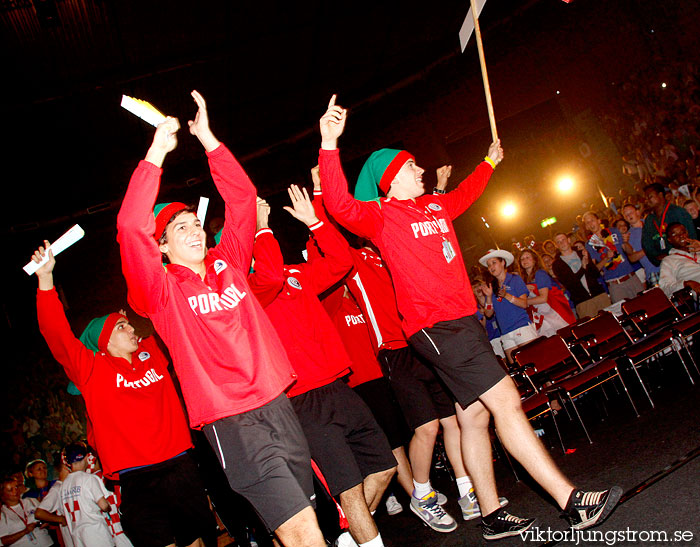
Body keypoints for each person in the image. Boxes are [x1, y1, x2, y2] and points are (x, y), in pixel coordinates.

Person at [316, 95, 621, 541]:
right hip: (437, 328)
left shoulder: (436, 206)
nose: (421, 170)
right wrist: (328, 143)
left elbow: (466, 192)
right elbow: (340, 205)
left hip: (464, 324)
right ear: (391, 179)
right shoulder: (382, 217)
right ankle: (571, 501)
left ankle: (492, 512)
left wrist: (489, 162)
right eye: (411, 166)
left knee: (475, 416)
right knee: (507, 403)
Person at [116, 91, 325, 547]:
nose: (193, 229)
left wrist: (209, 140)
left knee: (303, 520)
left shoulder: (228, 261)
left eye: (194, 222)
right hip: (232, 420)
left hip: (277, 401)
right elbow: (131, 227)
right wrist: (158, 151)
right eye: (178, 229)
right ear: (163, 248)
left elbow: (244, 199)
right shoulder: (160, 291)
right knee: (302, 531)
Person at [311, 169, 485, 527]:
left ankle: (467, 491)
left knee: (454, 419)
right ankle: (423, 496)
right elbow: (328, 236)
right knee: (427, 428)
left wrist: (436, 188)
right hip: (393, 352)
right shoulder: (355, 261)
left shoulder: (392, 247)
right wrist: (317, 192)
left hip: (422, 340)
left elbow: (428, 218)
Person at [31, 241, 214, 547]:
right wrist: (46, 280)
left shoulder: (153, 352)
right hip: (137, 477)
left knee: (196, 542)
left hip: (180, 465)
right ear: (104, 340)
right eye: (122, 326)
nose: (132, 330)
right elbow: (58, 335)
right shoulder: (91, 368)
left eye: (130, 325)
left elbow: (167, 307)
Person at [248, 185, 397, 547]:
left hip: (337, 386)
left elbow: (342, 262)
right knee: (349, 490)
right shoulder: (248, 290)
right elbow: (267, 273)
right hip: (301, 401)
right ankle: (362, 533)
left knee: (384, 466)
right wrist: (258, 226)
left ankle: (349, 536)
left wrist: (316, 222)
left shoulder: (295, 274)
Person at [480, 250, 538, 362]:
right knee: (519, 368)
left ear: (503, 263)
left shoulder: (514, 279)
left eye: (494, 262)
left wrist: (507, 295)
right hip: (505, 334)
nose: (491, 267)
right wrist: (488, 296)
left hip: (521, 327)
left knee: (535, 362)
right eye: (489, 265)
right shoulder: (493, 287)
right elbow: (489, 314)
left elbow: (524, 303)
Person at [60, 443, 114, 546]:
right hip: (95, 533)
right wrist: (108, 507)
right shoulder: (89, 479)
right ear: (85, 457)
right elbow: (103, 505)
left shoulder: (64, 485)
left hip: (77, 536)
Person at [583, 211, 643, 303]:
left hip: (630, 277)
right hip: (615, 284)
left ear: (599, 221)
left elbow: (630, 252)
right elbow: (595, 269)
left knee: (645, 303)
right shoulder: (590, 244)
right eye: (588, 223)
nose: (591, 224)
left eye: (592, 220)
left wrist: (626, 242)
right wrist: (606, 258)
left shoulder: (614, 231)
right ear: (586, 227)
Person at [517, 249, 575, 337]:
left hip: (554, 314)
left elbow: (543, 298)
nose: (525, 260)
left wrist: (523, 302)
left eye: (527, 257)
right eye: (522, 259)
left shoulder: (540, 274)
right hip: (542, 317)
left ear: (534, 259)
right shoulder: (523, 280)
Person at [551, 233, 611, 318]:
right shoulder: (557, 264)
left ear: (568, 240)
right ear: (556, 245)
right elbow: (570, 284)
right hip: (583, 302)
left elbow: (595, 274)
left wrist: (588, 263)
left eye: (563, 240)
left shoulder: (582, 253)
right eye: (558, 242)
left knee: (612, 321)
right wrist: (583, 267)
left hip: (599, 295)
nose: (562, 243)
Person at [642, 183, 697, 266]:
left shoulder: (678, 212)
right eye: (646, 198)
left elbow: (691, 237)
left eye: (650, 197)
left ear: (660, 195)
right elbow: (647, 245)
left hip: (686, 262)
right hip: (664, 265)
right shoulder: (649, 220)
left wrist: (673, 256)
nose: (647, 201)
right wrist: (658, 259)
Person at [0, 475, 53, 546]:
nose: (15, 491)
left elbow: (49, 517)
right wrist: (25, 531)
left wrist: (45, 522)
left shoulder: (31, 501)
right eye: (10, 490)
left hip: (46, 543)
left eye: (16, 487)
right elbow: (3, 541)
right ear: (2, 494)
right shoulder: (3, 513)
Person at [35, 452, 73, 547]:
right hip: (70, 538)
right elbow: (39, 513)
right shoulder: (57, 488)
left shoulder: (70, 484)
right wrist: (61, 519)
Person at [621, 203, 660, 287]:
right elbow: (632, 258)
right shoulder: (628, 236)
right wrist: (648, 249)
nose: (629, 215)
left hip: (668, 263)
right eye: (626, 214)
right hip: (653, 271)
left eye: (630, 212)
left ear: (638, 212)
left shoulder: (651, 223)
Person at [658, 223, 700, 296]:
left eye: (683, 232)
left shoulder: (698, 248)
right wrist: (685, 284)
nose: (681, 236)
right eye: (675, 235)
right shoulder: (668, 260)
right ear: (669, 239)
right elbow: (665, 288)